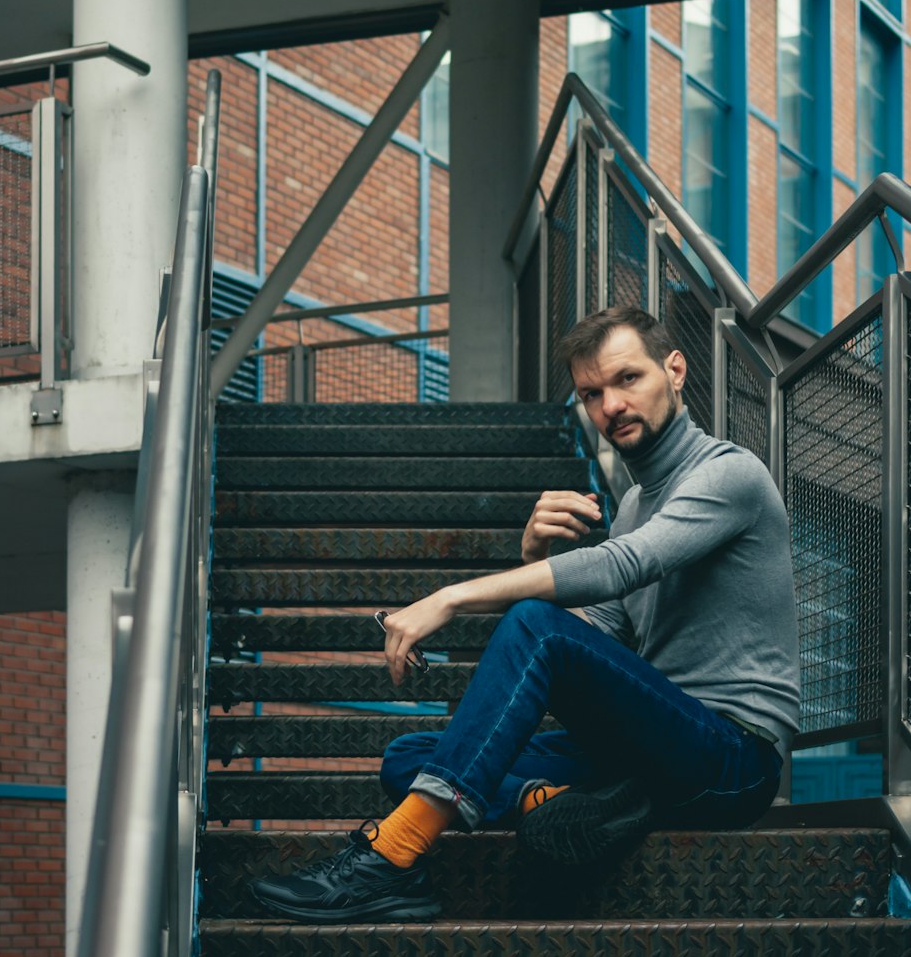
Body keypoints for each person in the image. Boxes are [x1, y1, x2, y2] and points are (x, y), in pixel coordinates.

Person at [249, 306, 800, 923]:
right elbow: (594, 639)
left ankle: (394, 857)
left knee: (528, 641)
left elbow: (625, 566)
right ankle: (554, 801)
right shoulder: (635, 506)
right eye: (592, 393)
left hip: (732, 760)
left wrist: (451, 596)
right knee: (409, 758)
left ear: (674, 371)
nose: (611, 405)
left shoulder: (730, 475)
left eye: (627, 379)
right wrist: (535, 556)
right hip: (645, 754)